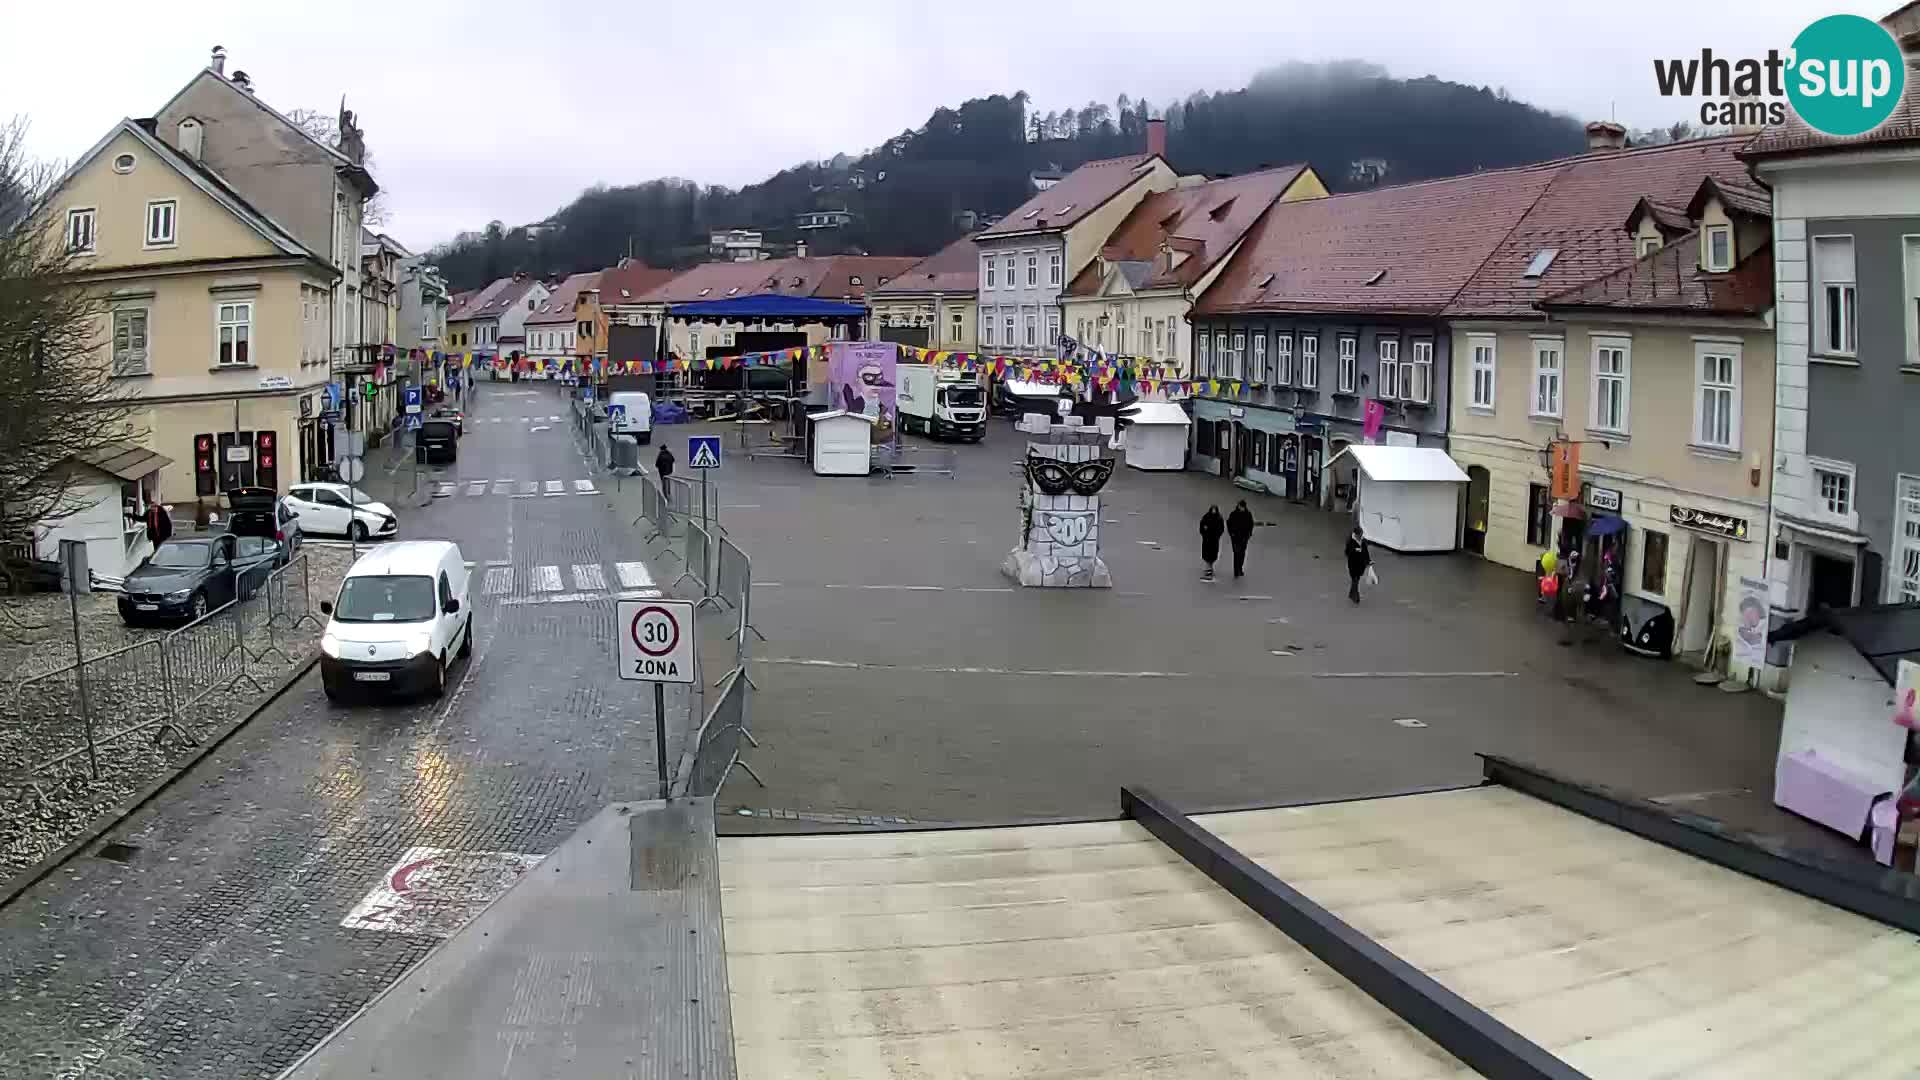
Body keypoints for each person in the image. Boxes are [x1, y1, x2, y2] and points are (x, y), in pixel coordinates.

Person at [1226, 500, 1255, 579]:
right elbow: (1229, 523)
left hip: (1244, 537)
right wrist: (1231, 533)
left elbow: (1251, 524)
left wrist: (1249, 533)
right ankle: (1236, 571)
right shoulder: (1234, 514)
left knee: (1242, 553)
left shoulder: (1248, 514)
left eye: (1242, 506)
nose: (1241, 508)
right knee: (1236, 553)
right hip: (1235, 538)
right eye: (1240, 506)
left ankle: (1240, 568)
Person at [1345, 525, 1371, 603]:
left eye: (1361, 535)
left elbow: (1366, 552)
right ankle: (1356, 597)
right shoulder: (1350, 541)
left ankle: (1351, 594)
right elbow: (1347, 552)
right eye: (1359, 535)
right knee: (1355, 580)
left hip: (1361, 565)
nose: (1360, 536)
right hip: (1353, 565)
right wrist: (1355, 550)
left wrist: (1368, 561)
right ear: (1356, 534)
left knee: (1356, 580)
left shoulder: (1363, 541)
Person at [1199, 505, 1224, 581]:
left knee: (1213, 554)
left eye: (1214, 510)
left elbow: (1221, 528)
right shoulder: (1206, 517)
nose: (1213, 511)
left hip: (1214, 540)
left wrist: (1217, 535)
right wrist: (1204, 532)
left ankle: (1210, 567)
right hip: (1207, 540)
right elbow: (1201, 526)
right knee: (1207, 554)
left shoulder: (1219, 518)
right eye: (1212, 510)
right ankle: (1208, 568)